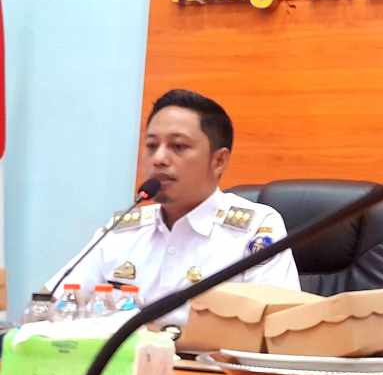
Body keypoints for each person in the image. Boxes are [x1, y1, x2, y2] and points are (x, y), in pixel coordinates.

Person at [45, 89, 300, 326]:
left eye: (178, 146)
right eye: (151, 146)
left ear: (218, 161)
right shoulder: (123, 230)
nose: (158, 159)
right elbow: (51, 305)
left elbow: (276, 328)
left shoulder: (255, 229)